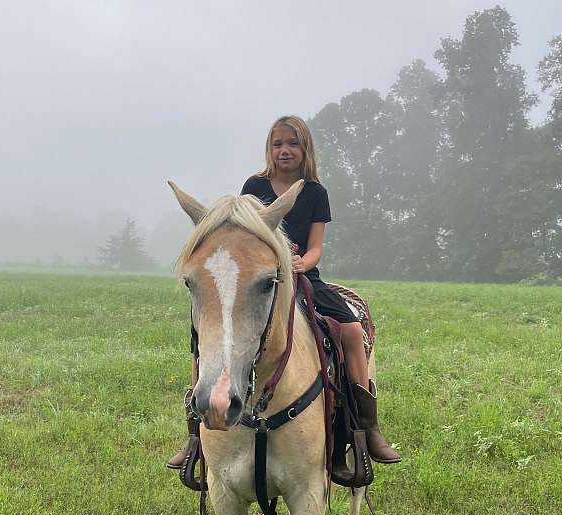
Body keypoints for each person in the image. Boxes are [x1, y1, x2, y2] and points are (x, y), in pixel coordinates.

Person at [167, 115, 400, 468]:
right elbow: (241, 235)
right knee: (203, 339)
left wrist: (302, 263)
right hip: (262, 279)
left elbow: (317, 246)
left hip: (303, 275)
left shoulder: (315, 192)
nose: (285, 151)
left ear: (305, 148)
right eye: (278, 144)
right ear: (269, 149)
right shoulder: (253, 185)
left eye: (293, 144)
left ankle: (367, 427)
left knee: (352, 331)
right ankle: (195, 433)